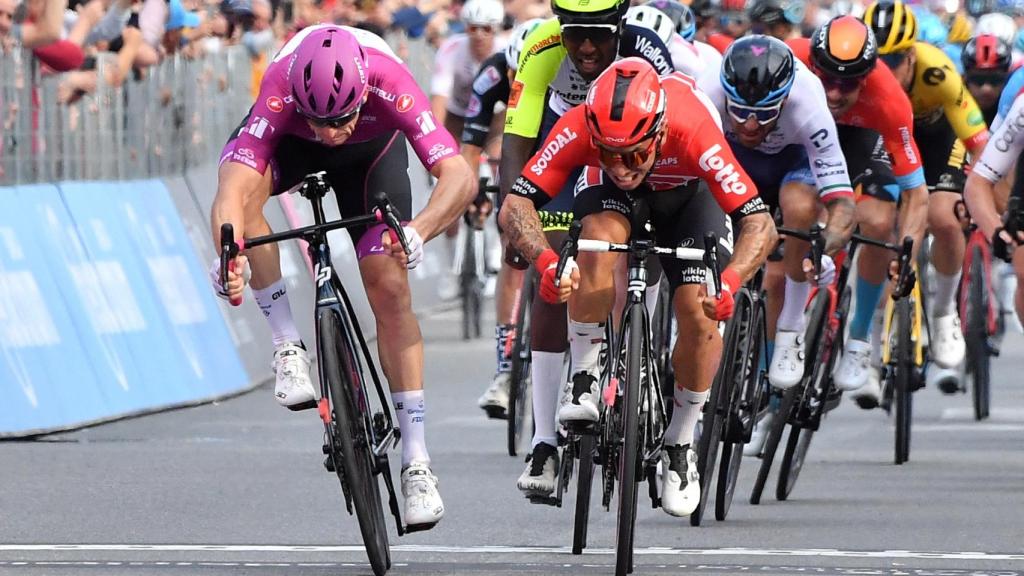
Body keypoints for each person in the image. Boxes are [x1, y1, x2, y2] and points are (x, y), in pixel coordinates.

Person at [210, 24, 473, 530]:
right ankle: (288, 346)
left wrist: (418, 230)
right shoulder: (281, 82)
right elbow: (232, 187)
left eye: (341, 118)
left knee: (389, 286)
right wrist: (228, 253)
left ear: (363, 93)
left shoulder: (389, 80)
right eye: (321, 121)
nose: (331, 133)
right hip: (291, 146)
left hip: (370, 155)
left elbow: (457, 175)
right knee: (241, 203)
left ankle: (416, 461)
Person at [500, 58, 776, 516]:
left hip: (688, 197)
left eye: (633, 154)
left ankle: (680, 441)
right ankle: (584, 374)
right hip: (610, 202)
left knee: (698, 311)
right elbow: (516, 205)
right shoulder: (580, 127)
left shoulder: (693, 129)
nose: (622, 166)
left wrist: (729, 282)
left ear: (659, 131)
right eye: (608, 153)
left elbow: (759, 223)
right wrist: (547, 262)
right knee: (594, 243)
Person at [497, 0, 677, 495]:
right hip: (567, 146)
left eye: (600, 33)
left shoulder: (648, 50)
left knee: (643, 248)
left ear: (621, 24)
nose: (588, 47)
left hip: (628, 151)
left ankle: (638, 357)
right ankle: (543, 444)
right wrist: (515, 227)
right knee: (555, 273)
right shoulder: (541, 49)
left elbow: (663, 139)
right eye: (575, 33)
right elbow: (517, 143)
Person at [697, 35, 856, 393]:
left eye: (765, 114)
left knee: (800, 208)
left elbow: (843, 203)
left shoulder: (809, 103)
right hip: (732, 160)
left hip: (792, 165)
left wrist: (823, 246)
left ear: (784, 100)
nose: (751, 125)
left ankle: (790, 326)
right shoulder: (706, 92)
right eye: (740, 112)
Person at [789, 16, 929, 402]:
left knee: (879, 222)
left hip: (862, 136)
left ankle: (859, 338)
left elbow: (916, 194)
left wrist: (907, 254)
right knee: (796, 213)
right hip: (805, 129)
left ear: (866, 77)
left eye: (848, 83)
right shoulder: (791, 59)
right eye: (827, 79)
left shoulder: (889, 100)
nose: (835, 92)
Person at [862, 0, 991, 384]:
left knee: (944, 219)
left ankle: (943, 311)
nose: (886, 71)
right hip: (889, 140)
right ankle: (872, 334)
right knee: (880, 226)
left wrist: (977, 195)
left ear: (912, 56)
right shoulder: (861, 78)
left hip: (938, 141)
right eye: (878, 61)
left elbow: (979, 143)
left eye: (895, 60)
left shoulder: (939, 72)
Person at [464, 18, 544, 418]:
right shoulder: (493, 73)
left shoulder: (562, 72)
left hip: (558, 145)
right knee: (513, 249)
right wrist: (471, 191)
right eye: (513, 75)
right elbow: (469, 146)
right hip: (516, 150)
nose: (517, 82)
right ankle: (506, 369)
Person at [430, 0, 506, 300]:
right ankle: (452, 269)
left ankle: (495, 258)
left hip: (495, 119)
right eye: (473, 28)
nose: (479, 35)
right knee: (449, 188)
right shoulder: (451, 50)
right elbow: (438, 105)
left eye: (486, 29)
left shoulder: (505, 51)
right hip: (458, 119)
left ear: (495, 30)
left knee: (501, 171)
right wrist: (433, 152)